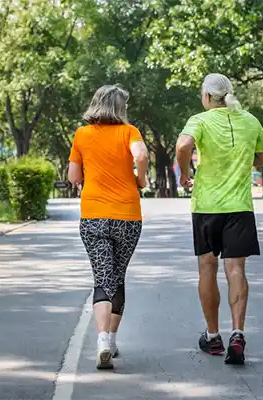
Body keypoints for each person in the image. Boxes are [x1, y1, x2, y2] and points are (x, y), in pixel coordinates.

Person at [175, 73, 263, 365]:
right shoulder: (250, 120)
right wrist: (242, 159)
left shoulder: (200, 120)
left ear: (206, 97)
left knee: (207, 268)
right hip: (239, 208)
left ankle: (213, 337)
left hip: (206, 207)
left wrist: (184, 173)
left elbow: (182, 147)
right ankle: (238, 333)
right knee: (236, 269)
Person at [68, 84, 149, 370]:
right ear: (120, 108)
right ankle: (112, 340)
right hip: (128, 216)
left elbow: (74, 176)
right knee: (118, 275)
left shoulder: (82, 134)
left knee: (102, 277)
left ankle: (102, 339)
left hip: (93, 217)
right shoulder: (130, 132)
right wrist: (141, 180)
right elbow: (140, 156)